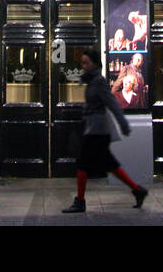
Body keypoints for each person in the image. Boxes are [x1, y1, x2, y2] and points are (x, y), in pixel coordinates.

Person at [62, 48, 148, 214]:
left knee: (83, 164)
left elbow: (112, 102)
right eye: (82, 63)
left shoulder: (99, 81)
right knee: (110, 164)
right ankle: (138, 190)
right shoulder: (91, 80)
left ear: (94, 63)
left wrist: (123, 123)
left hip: (97, 130)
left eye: (86, 62)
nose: (83, 65)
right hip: (94, 129)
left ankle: (80, 201)